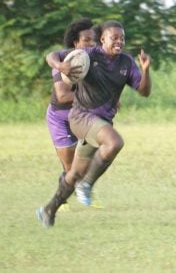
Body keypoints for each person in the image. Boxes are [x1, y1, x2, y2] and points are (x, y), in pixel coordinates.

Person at [36, 20, 152, 228]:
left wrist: (145, 70)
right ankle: (87, 185)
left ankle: (48, 209)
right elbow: (51, 56)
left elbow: (144, 92)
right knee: (114, 142)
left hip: (101, 122)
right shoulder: (88, 55)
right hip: (81, 117)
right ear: (102, 39)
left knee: (74, 173)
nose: (119, 41)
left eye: (122, 38)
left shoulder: (126, 62)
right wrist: (60, 66)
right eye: (114, 37)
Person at [45, 18, 104, 210]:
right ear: (75, 43)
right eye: (86, 40)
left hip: (82, 115)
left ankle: (86, 191)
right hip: (59, 118)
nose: (91, 44)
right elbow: (62, 96)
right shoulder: (66, 60)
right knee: (69, 166)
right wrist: (59, 65)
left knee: (85, 161)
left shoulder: (97, 60)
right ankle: (61, 199)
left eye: (94, 40)